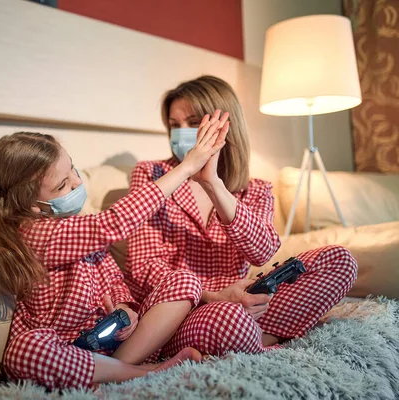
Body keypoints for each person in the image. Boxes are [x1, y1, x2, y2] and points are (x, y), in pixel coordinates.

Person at [0, 124, 227, 389]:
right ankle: (140, 373)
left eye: (72, 168)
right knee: (24, 351)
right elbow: (114, 223)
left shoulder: (79, 224)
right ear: (31, 205)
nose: (76, 181)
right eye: (62, 185)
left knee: (185, 281)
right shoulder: (35, 235)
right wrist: (186, 168)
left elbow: (114, 280)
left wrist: (124, 308)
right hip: (67, 348)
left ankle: (119, 369)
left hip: (111, 339)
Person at [124, 75, 358, 358]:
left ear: (225, 126)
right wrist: (214, 295)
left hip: (245, 301)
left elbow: (263, 252)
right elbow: (143, 266)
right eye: (175, 125)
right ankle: (257, 338)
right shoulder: (153, 175)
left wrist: (213, 184)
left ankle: (252, 337)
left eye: (194, 122)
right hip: (185, 311)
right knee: (231, 320)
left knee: (340, 261)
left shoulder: (256, 189)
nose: (182, 132)